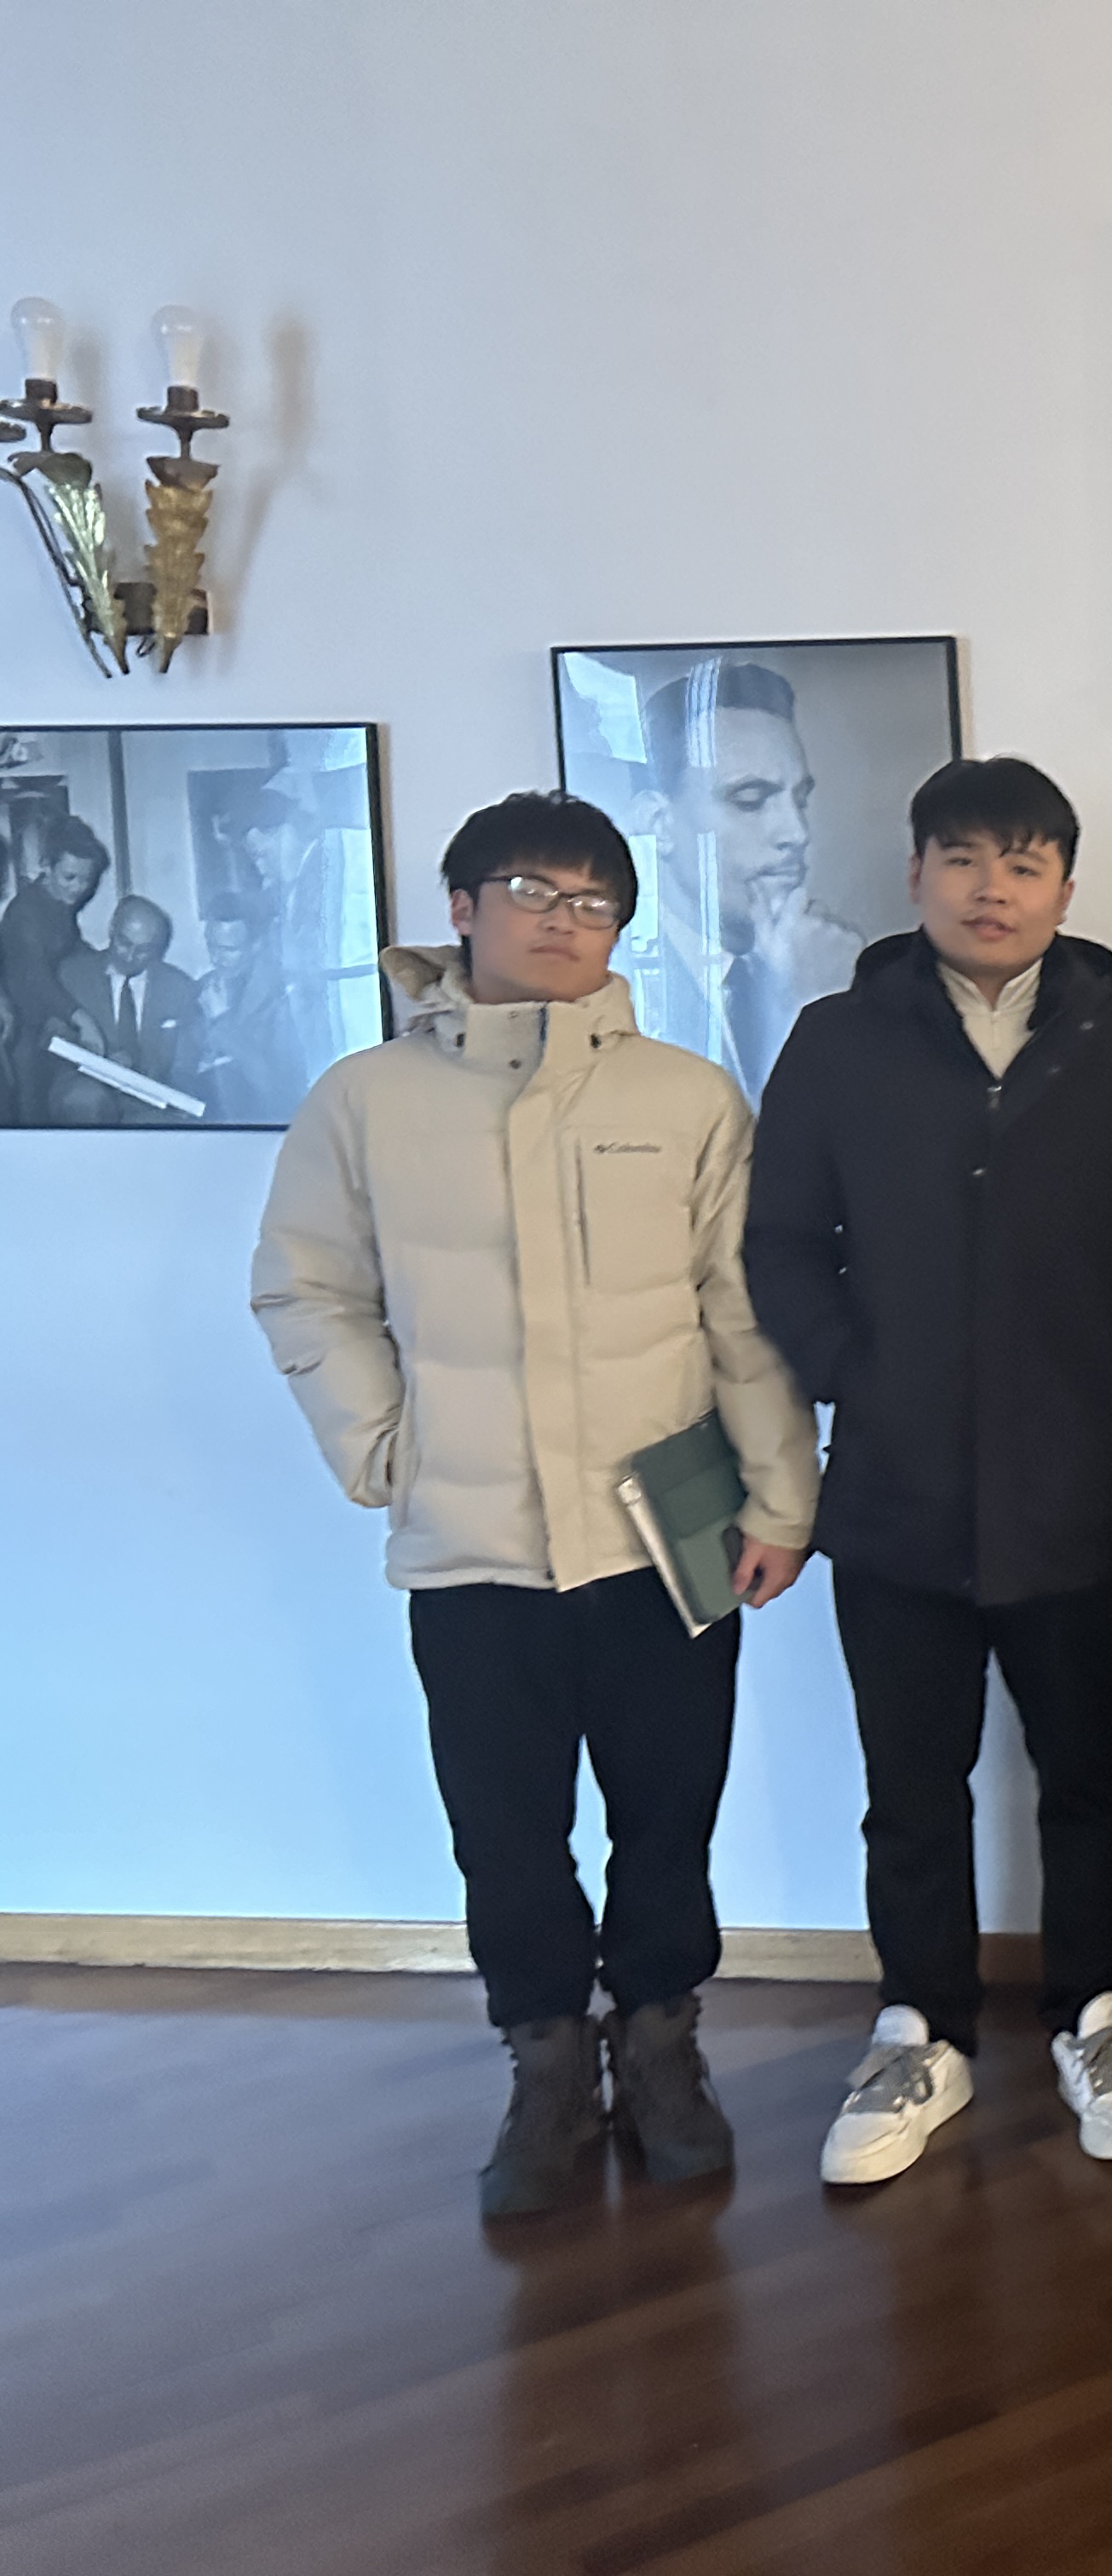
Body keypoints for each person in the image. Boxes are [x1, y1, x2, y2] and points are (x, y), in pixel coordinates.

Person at [248, 792, 821, 2219]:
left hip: (670, 1529)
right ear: (461, 907)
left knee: (669, 1812)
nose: (565, 921)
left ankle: (664, 2043)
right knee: (504, 1828)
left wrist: (782, 1497)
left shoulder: (687, 1098)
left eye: (594, 901)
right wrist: (382, 1445)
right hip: (473, 1542)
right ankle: (547, 2059)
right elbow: (306, 1287)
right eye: (532, 890)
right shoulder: (366, 1100)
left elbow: (741, 1312)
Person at [746, 756, 1112, 2188]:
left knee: (1087, 1774)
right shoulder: (838, 1041)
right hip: (895, 1492)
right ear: (915, 874)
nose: (991, 888)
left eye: (1022, 862)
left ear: (1065, 885)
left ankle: (1097, 2013)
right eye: (962, 858)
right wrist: (858, 1371)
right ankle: (920, 2027)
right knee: (910, 1785)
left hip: (1072, 1489)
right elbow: (778, 1243)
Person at [630, 659, 865, 1090]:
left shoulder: (841, 967)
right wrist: (813, 1010)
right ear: (660, 823)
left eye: (800, 800)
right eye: (750, 800)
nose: (797, 833)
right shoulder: (621, 985)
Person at [50, 895, 203, 1122]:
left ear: (159, 949)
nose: (130, 957)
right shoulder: (73, 974)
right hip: (85, 1088)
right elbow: (52, 1035)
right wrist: (97, 1059)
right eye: (124, 943)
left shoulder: (179, 988)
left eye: (143, 950)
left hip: (151, 1097)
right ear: (112, 929)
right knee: (86, 1100)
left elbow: (186, 1062)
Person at [2, 815, 108, 1124]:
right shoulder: (26, 912)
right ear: (46, 866)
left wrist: (107, 961)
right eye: (69, 877)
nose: (78, 889)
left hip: (45, 1027)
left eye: (87, 880)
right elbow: (36, 978)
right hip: (20, 1034)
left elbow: (73, 951)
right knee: (29, 1117)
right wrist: (82, 1018)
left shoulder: (58, 905)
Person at [191, 883, 306, 1124]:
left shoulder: (284, 995)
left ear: (256, 945)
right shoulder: (203, 987)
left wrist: (221, 1022)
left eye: (229, 950)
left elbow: (282, 1091)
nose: (216, 958)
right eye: (211, 946)